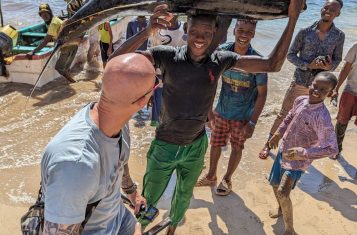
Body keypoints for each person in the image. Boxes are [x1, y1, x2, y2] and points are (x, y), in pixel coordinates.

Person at [111, 1, 304, 233]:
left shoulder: (220, 60)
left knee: (184, 195)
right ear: (186, 30)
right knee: (150, 195)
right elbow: (115, 63)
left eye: (206, 33)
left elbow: (272, 65)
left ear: (214, 34)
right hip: (165, 145)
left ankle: (172, 228)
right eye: (194, 32)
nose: (199, 38)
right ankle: (139, 229)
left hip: (196, 145)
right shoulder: (167, 57)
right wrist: (146, 32)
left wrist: (293, 19)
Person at [40, 53, 155, 234]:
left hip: (118, 217)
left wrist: (131, 192)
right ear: (143, 101)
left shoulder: (115, 120)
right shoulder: (75, 165)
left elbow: (118, 162)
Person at [259, 0, 345, 159]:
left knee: (308, 121)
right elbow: (290, 55)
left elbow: (337, 60)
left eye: (333, 10)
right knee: (284, 114)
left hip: (320, 89)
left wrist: (328, 67)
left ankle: (297, 152)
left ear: (338, 14)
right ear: (321, 8)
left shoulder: (339, 36)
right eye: (326, 7)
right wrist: (308, 65)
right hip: (300, 81)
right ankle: (268, 145)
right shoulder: (305, 31)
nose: (328, 11)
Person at [195, 19, 268, 196]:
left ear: (254, 34)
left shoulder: (257, 61)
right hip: (222, 110)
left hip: (243, 115)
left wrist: (252, 123)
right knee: (215, 144)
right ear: (234, 30)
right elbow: (212, 82)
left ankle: (227, 178)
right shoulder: (222, 52)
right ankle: (211, 175)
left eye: (248, 32)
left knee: (237, 147)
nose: (244, 35)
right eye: (240, 30)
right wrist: (210, 111)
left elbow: (262, 93)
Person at [267, 72, 339, 235]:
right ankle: (281, 208)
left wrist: (303, 152)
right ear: (310, 83)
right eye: (315, 85)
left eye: (323, 89)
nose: (317, 91)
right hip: (283, 149)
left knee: (283, 192)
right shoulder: (300, 100)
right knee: (274, 184)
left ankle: (289, 229)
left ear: (330, 93)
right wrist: (277, 134)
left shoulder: (322, 117)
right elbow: (289, 116)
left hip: (298, 161)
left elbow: (331, 148)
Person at [149, 15, 186, 127]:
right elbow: (151, 57)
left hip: (178, 81)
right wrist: (149, 86)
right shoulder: (157, 29)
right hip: (159, 80)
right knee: (159, 119)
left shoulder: (185, 29)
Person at [26, 3, 77, 83]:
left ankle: (74, 83)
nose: (44, 16)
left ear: (50, 12)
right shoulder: (56, 19)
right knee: (65, 67)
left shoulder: (53, 24)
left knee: (59, 68)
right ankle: (71, 82)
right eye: (42, 14)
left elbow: (45, 41)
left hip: (67, 46)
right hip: (73, 44)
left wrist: (33, 51)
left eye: (46, 13)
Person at [331, 43, 357, 159]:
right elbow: (346, 68)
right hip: (350, 90)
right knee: (342, 121)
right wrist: (336, 89)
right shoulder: (356, 47)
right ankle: (336, 148)